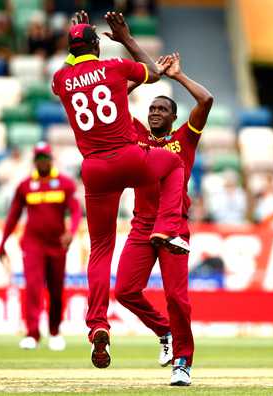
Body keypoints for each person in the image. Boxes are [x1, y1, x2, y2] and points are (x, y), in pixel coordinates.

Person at [51, 11, 187, 369]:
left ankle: (97, 323)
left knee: (100, 249)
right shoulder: (113, 68)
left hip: (95, 170)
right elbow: (154, 73)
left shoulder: (61, 78)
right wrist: (125, 38)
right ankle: (167, 226)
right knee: (173, 164)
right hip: (130, 157)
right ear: (97, 46)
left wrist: (78, 42)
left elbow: (75, 66)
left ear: (70, 49)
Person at [115, 52, 213, 386]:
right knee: (125, 291)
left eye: (162, 109)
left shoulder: (184, 139)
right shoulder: (136, 136)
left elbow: (206, 99)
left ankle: (183, 362)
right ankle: (165, 332)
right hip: (142, 225)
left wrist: (177, 77)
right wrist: (146, 77)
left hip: (173, 226)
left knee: (176, 297)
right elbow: (114, 102)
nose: (156, 112)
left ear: (174, 117)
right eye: (152, 109)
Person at [0, 142, 82, 351]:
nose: (43, 162)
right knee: (33, 288)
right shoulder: (25, 186)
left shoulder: (65, 184)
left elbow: (76, 211)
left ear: (50, 160)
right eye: (39, 159)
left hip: (56, 245)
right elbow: (13, 216)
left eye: (46, 158)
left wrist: (71, 232)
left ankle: (54, 332)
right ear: (35, 161)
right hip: (32, 243)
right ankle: (32, 334)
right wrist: (3, 242)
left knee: (55, 289)